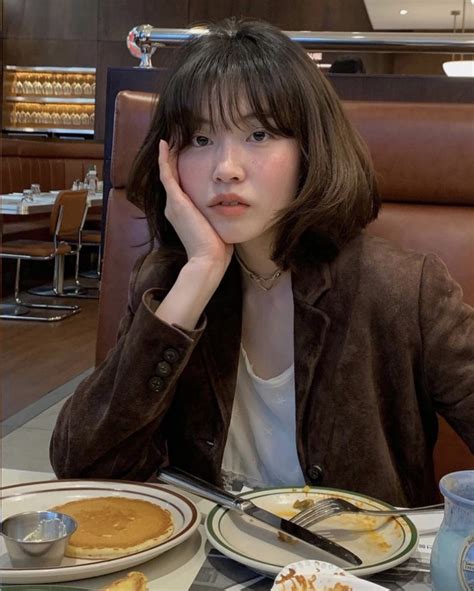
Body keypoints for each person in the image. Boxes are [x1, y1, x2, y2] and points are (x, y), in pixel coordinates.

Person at [50, 18, 473, 507]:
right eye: (201, 140)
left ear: (308, 149)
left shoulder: (402, 288)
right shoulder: (168, 282)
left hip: (356, 573)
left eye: (258, 134)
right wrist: (200, 274)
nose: (226, 168)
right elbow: (80, 463)